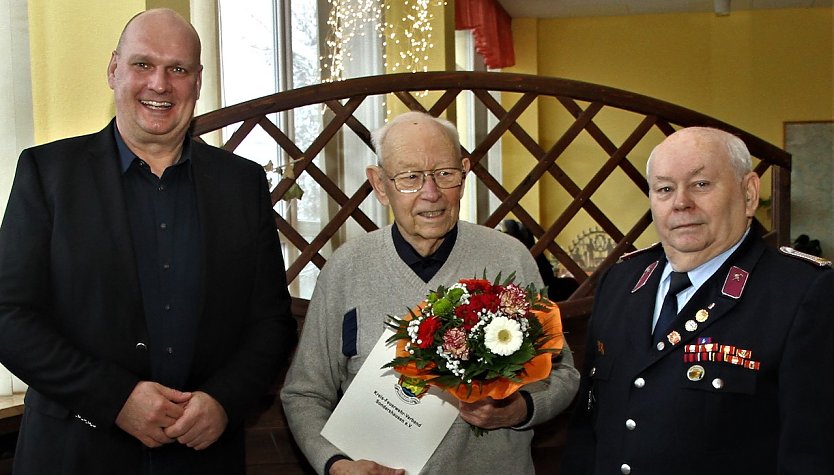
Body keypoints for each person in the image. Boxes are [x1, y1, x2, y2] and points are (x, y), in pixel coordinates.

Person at [0, 9, 297, 474]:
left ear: (197, 83)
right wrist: (115, 398)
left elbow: (271, 321)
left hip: (202, 456)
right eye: (143, 64)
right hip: (74, 453)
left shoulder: (241, 183)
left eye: (178, 69)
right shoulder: (49, 174)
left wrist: (223, 401)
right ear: (113, 69)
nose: (160, 84)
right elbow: (8, 315)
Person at [281, 111, 580, 475]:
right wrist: (335, 464)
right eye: (410, 177)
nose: (431, 193)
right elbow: (304, 394)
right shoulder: (346, 270)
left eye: (445, 173)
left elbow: (563, 372)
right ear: (379, 184)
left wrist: (521, 409)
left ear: (465, 174)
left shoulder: (509, 259)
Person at [561, 127, 834, 474]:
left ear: (749, 194)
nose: (681, 202)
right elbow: (588, 432)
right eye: (665, 189)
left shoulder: (801, 294)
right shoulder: (621, 282)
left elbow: (812, 454)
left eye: (701, 184)